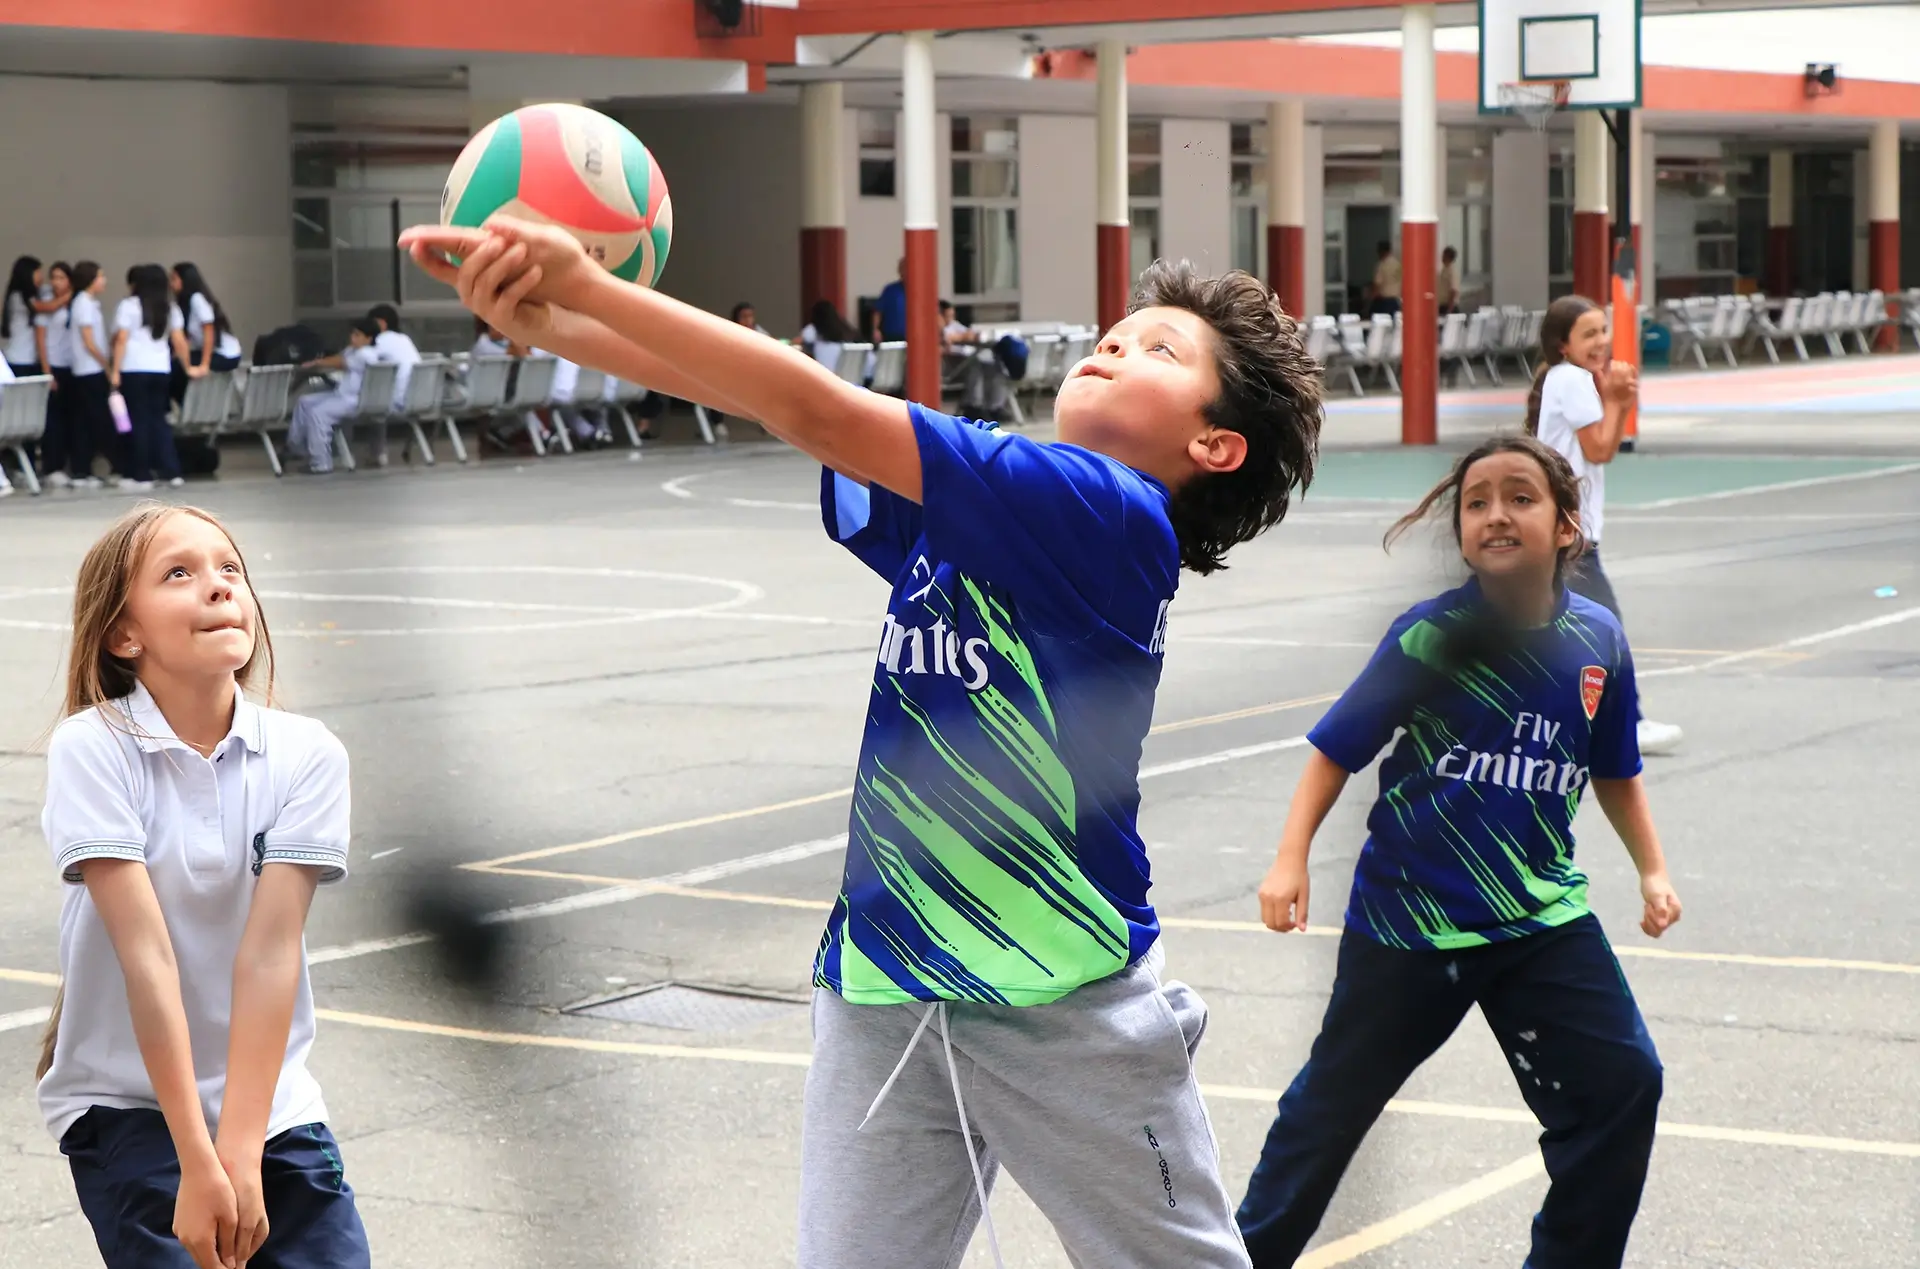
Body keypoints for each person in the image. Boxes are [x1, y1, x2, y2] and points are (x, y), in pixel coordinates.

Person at [401, 215, 1323, 1269]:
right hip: (883, 989)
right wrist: (551, 321)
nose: (1116, 344)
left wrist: (590, 292)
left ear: (1213, 446)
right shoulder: (990, 507)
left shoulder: (1107, 513)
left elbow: (812, 402)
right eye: (1117, 331)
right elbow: (776, 408)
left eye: (1161, 350)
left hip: (1060, 1004)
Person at [1235, 434, 1681, 1269]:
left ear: (1565, 524)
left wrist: (1651, 868)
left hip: (1541, 916)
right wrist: (1288, 858)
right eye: (1477, 502)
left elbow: (1614, 766)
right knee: (1328, 1113)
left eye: (1520, 496)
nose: (1496, 514)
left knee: (1624, 1084)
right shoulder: (1431, 636)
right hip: (1412, 921)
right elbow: (1336, 749)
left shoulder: (1597, 641)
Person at [37, 504, 369, 1269]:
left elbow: (268, 954)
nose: (219, 586)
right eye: (179, 573)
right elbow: (146, 956)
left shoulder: (307, 754)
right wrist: (197, 1157)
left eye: (230, 568)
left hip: (269, 1104)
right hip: (131, 1103)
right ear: (125, 634)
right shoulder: (95, 746)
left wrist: (243, 1154)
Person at [1526, 295, 1684, 755]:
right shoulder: (1572, 379)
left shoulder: (1566, 379)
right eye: (1589, 334)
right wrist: (1616, 399)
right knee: (1604, 626)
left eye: (1603, 331)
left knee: (1561, 631)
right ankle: (1626, 723)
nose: (1601, 342)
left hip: (1566, 530)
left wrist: (1615, 401)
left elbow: (1601, 448)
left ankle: (1546, 721)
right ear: (1563, 345)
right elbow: (1598, 450)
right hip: (1568, 534)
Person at [111, 264, 193, 491]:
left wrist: (115, 371)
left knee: (138, 422)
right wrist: (188, 367)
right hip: (161, 370)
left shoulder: (128, 306)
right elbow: (179, 341)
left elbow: (121, 340)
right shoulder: (170, 308)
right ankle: (172, 471)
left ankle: (141, 474)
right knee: (159, 420)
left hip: (133, 369)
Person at [287, 319, 380, 475]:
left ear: (369, 339)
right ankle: (298, 448)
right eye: (352, 334)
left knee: (318, 414)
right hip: (342, 396)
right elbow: (339, 356)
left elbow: (341, 362)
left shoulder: (367, 354)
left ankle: (321, 462)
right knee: (304, 402)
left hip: (355, 400)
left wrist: (316, 363)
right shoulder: (354, 350)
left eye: (357, 335)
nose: (352, 338)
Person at [66, 262, 115, 489]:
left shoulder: (88, 303)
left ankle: (84, 469)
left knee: (88, 420)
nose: (104, 281)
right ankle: (81, 470)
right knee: (90, 421)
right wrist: (106, 364)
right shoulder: (83, 303)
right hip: (89, 370)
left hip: (91, 369)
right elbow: (88, 341)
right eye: (100, 276)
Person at [37, 262, 84, 489]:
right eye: (53, 277)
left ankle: (73, 466)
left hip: (73, 366)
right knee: (53, 420)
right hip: (54, 365)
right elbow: (41, 338)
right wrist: (47, 370)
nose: (56, 283)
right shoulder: (47, 302)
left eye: (61, 278)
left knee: (72, 419)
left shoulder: (78, 302)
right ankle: (52, 466)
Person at [170, 263, 244, 404]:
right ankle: (188, 406)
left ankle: (192, 408)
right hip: (209, 352)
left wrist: (204, 365)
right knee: (173, 367)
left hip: (225, 354)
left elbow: (209, 332)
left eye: (174, 279)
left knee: (178, 370)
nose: (171, 283)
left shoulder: (197, 299)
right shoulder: (180, 304)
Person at [799, 298, 866, 380]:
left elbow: (800, 341)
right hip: (851, 381)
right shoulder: (846, 330)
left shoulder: (813, 330)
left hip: (826, 379)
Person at [5, 255, 43, 378]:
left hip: (29, 358)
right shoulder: (18, 296)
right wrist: (69, 295)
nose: (41, 277)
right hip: (19, 358)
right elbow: (43, 307)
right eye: (37, 273)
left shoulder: (30, 296)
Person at [875, 257, 908, 341]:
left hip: (914, 336)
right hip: (892, 336)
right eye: (902, 269)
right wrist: (875, 329)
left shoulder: (920, 291)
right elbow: (878, 312)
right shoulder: (890, 290)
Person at [1367, 241, 1401, 317]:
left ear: (1380, 251)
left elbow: (1377, 285)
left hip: (1385, 302)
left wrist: (1369, 303)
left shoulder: (1382, 265)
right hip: (1397, 301)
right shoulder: (1397, 264)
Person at [1437, 246, 1460, 316]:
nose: (1442, 257)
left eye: (1444, 255)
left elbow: (1453, 290)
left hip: (1448, 306)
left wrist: (1450, 309)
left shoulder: (1451, 272)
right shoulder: (1444, 270)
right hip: (1442, 305)